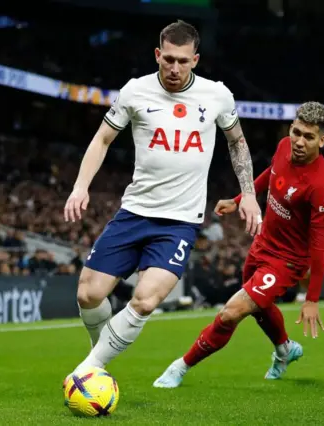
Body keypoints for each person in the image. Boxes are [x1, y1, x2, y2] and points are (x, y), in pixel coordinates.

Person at [62, 20, 261, 378]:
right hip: (134, 212)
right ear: (157, 54)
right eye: (168, 59)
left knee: (145, 299)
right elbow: (102, 139)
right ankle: (98, 356)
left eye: (183, 61)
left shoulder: (216, 95)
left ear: (195, 60)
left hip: (179, 222)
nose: (174, 68)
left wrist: (248, 193)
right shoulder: (135, 91)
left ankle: (88, 371)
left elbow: (237, 142)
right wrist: (80, 186)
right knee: (88, 295)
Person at [153, 102, 324, 388]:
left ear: (321, 140)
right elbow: (271, 174)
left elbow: (320, 245)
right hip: (262, 244)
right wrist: (240, 199)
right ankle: (285, 349)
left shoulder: (321, 186)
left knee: (232, 312)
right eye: (296, 132)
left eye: (309, 137)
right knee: (258, 306)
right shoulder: (284, 147)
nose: (299, 142)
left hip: (287, 261)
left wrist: (312, 299)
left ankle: (180, 367)